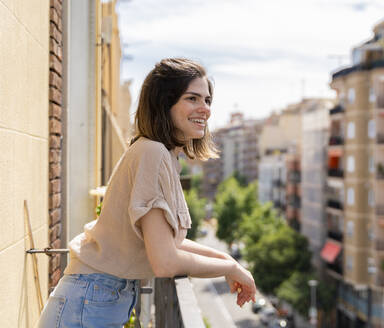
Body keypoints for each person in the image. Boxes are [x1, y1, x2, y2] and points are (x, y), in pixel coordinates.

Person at [37, 58, 256, 327]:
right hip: (89, 302)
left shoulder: (161, 155)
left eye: (207, 100)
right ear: (165, 103)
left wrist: (229, 261)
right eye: (192, 98)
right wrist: (231, 268)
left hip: (96, 298)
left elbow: (167, 243)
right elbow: (165, 261)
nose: (205, 109)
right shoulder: (152, 153)